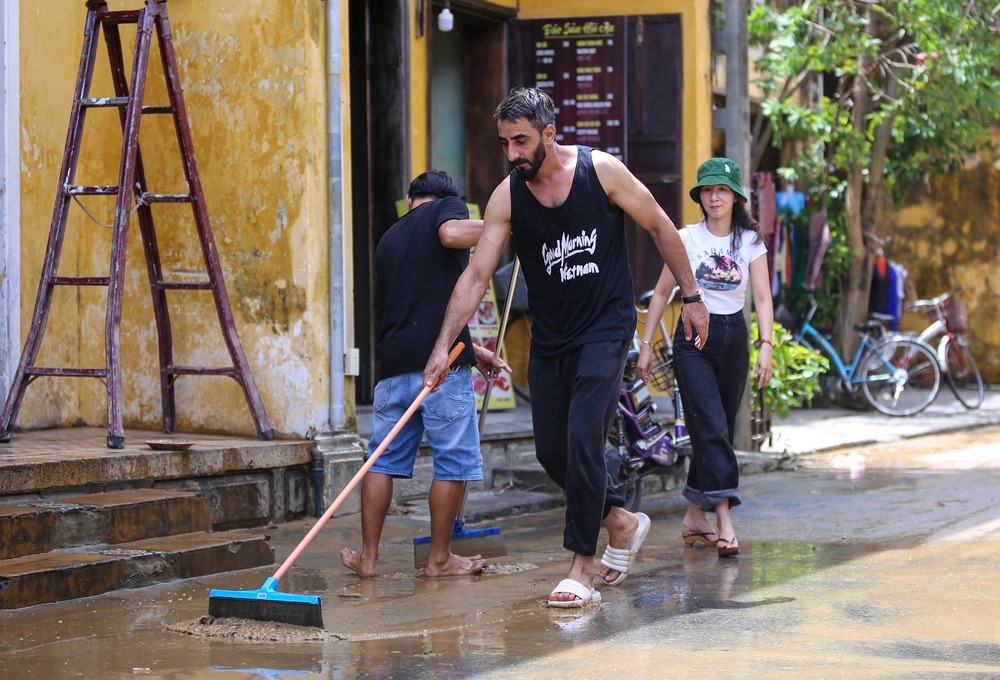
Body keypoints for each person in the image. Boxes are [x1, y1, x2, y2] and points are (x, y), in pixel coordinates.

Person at [422, 87, 710, 607]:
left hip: (605, 326)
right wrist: (444, 346)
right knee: (552, 451)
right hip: (551, 337)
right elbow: (476, 275)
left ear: (549, 135)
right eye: (505, 142)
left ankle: (581, 567)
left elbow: (661, 227)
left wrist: (692, 296)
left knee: (582, 437)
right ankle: (619, 520)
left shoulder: (601, 171)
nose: (512, 153)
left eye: (521, 141)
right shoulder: (507, 197)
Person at [340, 170, 510, 579]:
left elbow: (423, 302)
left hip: (394, 369)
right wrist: (504, 225)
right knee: (452, 462)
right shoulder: (445, 210)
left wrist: (476, 349)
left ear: (409, 198)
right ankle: (439, 560)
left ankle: (368, 559)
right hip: (440, 369)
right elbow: (452, 234)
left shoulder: (389, 239)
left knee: (381, 461)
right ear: (444, 200)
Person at [637, 157, 774, 557]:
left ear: (735, 197)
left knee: (717, 428)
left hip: (735, 337)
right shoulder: (686, 238)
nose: (715, 197)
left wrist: (766, 346)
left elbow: (763, 297)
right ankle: (725, 520)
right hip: (693, 339)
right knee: (711, 425)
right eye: (708, 191)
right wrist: (645, 346)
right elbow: (661, 294)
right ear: (700, 196)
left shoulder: (749, 241)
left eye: (722, 190)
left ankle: (694, 515)